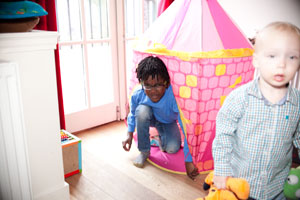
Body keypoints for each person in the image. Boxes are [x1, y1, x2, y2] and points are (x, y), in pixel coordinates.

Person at [212, 21, 300, 200]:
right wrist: (221, 169)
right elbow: (223, 135)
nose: (282, 64)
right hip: (240, 185)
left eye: (292, 57)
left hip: (277, 187)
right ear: (256, 60)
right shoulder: (240, 98)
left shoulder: (297, 102)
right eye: (272, 56)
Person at [122, 56, 199, 180]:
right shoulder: (139, 93)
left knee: (172, 148)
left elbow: (186, 127)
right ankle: (144, 151)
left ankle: (158, 137)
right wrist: (129, 134)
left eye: (158, 85)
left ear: (167, 83)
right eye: (148, 85)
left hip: (167, 122)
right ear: (142, 83)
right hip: (149, 117)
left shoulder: (175, 98)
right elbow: (132, 114)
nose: (153, 91)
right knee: (141, 111)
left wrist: (188, 159)